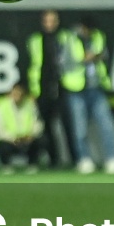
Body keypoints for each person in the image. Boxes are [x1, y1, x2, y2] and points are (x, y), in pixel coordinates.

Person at [61, 16, 114, 175]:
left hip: (96, 87)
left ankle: (112, 159)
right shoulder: (69, 38)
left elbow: (104, 54)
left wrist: (96, 57)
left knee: (106, 124)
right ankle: (84, 159)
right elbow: (65, 62)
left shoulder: (98, 36)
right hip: (76, 89)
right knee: (80, 128)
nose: (89, 32)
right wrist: (84, 59)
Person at [26, 9, 76, 168]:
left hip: (64, 88)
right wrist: (33, 91)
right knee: (47, 127)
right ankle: (54, 160)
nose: (50, 24)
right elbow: (32, 66)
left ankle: (76, 159)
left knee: (69, 125)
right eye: (47, 20)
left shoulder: (66, 37)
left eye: (53, 20)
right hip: (43, 89)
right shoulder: (35, 40)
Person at [0, 82, 44, 174]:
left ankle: (32, 165)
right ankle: (6, 167)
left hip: (27, 140)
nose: (17, 96)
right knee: (2, 145)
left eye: (20, 94)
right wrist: (13, 138)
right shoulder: (2, 106)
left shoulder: (30, 105)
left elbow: (38, 124)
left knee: (40, 140)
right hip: (10, 140)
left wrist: (30, 135)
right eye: (15, 93)